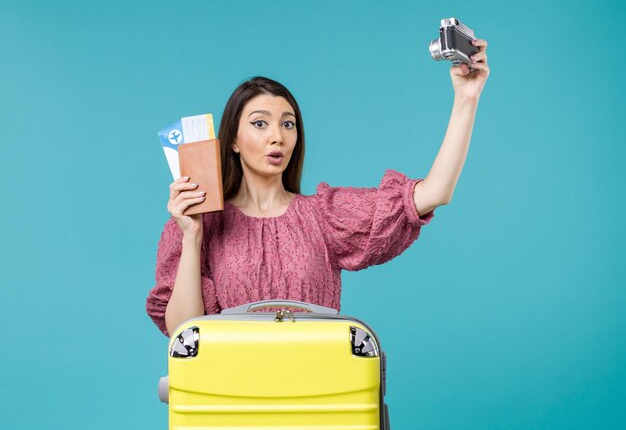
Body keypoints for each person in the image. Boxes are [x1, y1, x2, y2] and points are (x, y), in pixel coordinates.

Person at [146, 40, 490, 336]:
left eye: (288, 124)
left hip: (319, 397)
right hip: (233, 401)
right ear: (233, 139)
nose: (277, 136)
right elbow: (183, 333)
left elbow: (435, 193)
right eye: (260, 123)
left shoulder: (324, 216)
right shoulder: (202, 224)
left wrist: (466, 97)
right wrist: (191, 236)